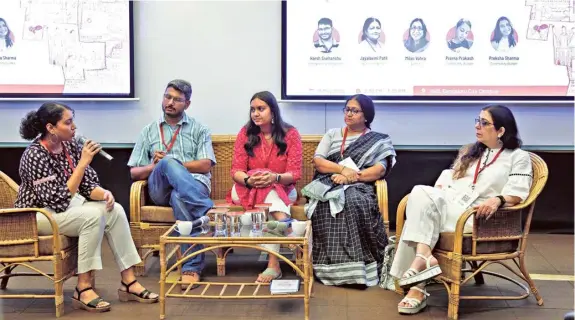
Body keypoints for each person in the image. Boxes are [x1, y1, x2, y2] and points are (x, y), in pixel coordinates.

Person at [14, 102, 158, 313]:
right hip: (35, 214)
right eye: (68, 122)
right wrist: (82, 163)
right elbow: (58, 199)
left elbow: (88, 184)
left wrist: (104, 194)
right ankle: (83, 288)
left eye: (73, 121)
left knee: (115, 210)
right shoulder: (34, 155)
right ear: (50, 128)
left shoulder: (69, 146)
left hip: (63, 209)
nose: (74, 127)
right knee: (91, 216)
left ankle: (128, 282)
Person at [390, 105, 533, 315]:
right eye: (478, 120)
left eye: (484, 123)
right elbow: (451, 176)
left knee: (421, 206)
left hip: (476, 216)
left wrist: (498, 199)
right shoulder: (472, 151)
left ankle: (418, 283)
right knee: (421, 195)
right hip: (450, 204)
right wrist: (439, 190)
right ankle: (423, 259)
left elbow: (519, 193)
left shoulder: (517, 157)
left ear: (501, 131)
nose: (478, 125)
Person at [127, 79, 216, 288]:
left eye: (177, 99)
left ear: (187, 104)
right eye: (167, 97)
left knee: (180, 196)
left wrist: (174, 165)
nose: (170, 102)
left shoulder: (199, 129)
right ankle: (205, 207)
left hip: (194, 184)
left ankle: (190, 268)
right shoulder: (148, 131)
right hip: (160, 191)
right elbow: (134, 172)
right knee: (166, 164)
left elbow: (205, 165)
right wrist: (154, 166)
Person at [301, 94, 397, 287]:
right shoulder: (333, 134)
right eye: (347, 109)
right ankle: (330, 269)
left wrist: (352, 177)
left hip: (359, 186)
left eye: (355, 110)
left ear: (366, 115)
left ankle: (360, 269)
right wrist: (342, 170)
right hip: (328, 182)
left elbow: (380, 169)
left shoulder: (378, 140)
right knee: (325, 203)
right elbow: (318, 162)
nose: (349, 114)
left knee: (353, 201)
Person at [226, 91, 303, 283]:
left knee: (271, 191)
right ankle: (285, 227)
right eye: (252, 109)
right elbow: (236, 170)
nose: (255, 113)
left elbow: (294, 174)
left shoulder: (290, 134)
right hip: (245, 190)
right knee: (266, 189)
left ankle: (274, 265)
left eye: (261, 109)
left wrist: (274, 177)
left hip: (283, 191)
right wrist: (250, 180)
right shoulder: (245, 133)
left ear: (273, 111)